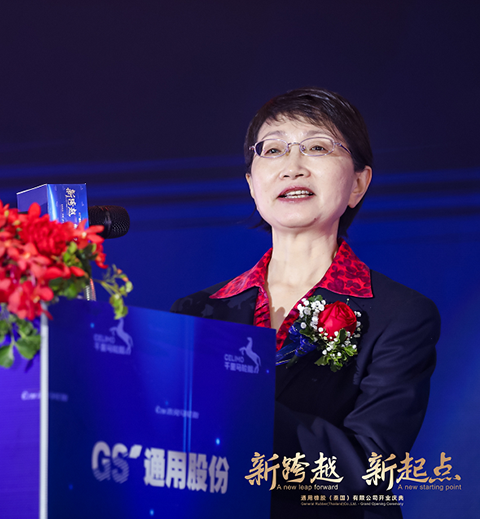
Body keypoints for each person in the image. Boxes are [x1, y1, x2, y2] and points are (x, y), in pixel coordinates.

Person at [171, 87, 440, 518]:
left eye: (317, 147)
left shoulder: (399, 315)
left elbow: (370, 468)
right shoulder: (196, 313)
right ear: (252, 185)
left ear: (358, 184)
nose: (292, 166)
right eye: (273, 150)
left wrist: (235, 403)